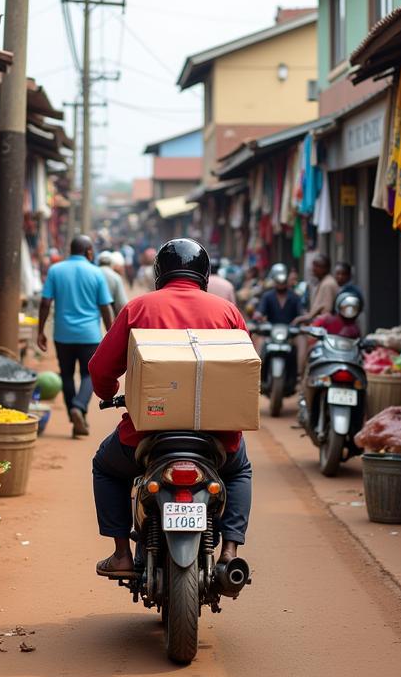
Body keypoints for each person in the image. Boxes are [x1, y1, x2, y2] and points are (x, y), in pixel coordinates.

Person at [88, 238, 254, 577]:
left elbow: (100, 369)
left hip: (148, 433)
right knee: (239, 471)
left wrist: (109, 391)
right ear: (204, 274)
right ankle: (229, 552)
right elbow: (245, 366)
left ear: (159, 272)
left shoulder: (139, 308)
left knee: (105, 467)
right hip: (217, 437)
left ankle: (121, 554)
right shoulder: (227, 311)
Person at [38, 235, 114, 438]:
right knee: (89, 374)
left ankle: (75, 414)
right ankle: (79, 407)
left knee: (66, 374)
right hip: (89, 335)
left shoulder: (56, 270)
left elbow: (45, 303)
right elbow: (105, 307)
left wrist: (40, 331)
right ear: (89, 251)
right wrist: (112, 335)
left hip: (63, 334)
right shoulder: (96, 273)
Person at [292, 253, 339, 326]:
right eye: (313, 265)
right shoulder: (324, 281)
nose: (313, 269)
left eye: (317, 266)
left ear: (325, 268)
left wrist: (304, 319)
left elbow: (326, 312)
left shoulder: (327, 284)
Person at [96, 251, 128, 315]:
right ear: (111, 263)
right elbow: (122, 303)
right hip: (110, 317)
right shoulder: (115, 277)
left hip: (94, 318)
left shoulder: (93, 274)